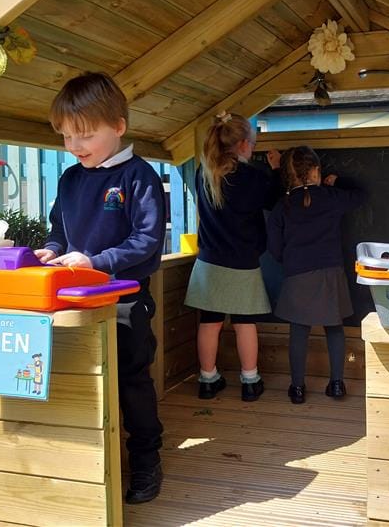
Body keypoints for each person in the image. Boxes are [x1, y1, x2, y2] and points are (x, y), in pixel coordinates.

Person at [34, 72, 165, 504]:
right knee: (80, 380)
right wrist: (52, 251)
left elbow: (147, 241)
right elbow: (59, 229)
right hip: (75, 301)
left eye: (86, 135)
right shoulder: (70, 179)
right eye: (67, 136)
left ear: (119, 127)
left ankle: (146, 460)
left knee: (132, 380)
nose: (75, 146)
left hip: (126, 301)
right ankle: (90, 463)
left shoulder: (138, 176)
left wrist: (97, 261)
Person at [184, 112, 281, 402]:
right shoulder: (252, 177)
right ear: (241, 145)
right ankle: (250, 381)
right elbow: (273, 200)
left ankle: (207, 379)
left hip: (209, 261)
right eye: (251, 144)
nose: (252, 149)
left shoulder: (205, 173)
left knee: (209, 322)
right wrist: (275, 169)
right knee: (244, 322)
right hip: (244, 261)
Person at [266, 146, 365, 404]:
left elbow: (274, 249)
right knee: (334, 328)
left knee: (299, 331)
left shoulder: (282, 205)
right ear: (316, 171)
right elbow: (360, 195)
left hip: (297, 274)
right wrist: (338, 181)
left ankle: (297, 388)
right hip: (331, 272)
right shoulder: (331, 197)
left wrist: (289, 260)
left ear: (288, 175)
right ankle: (336, 384)